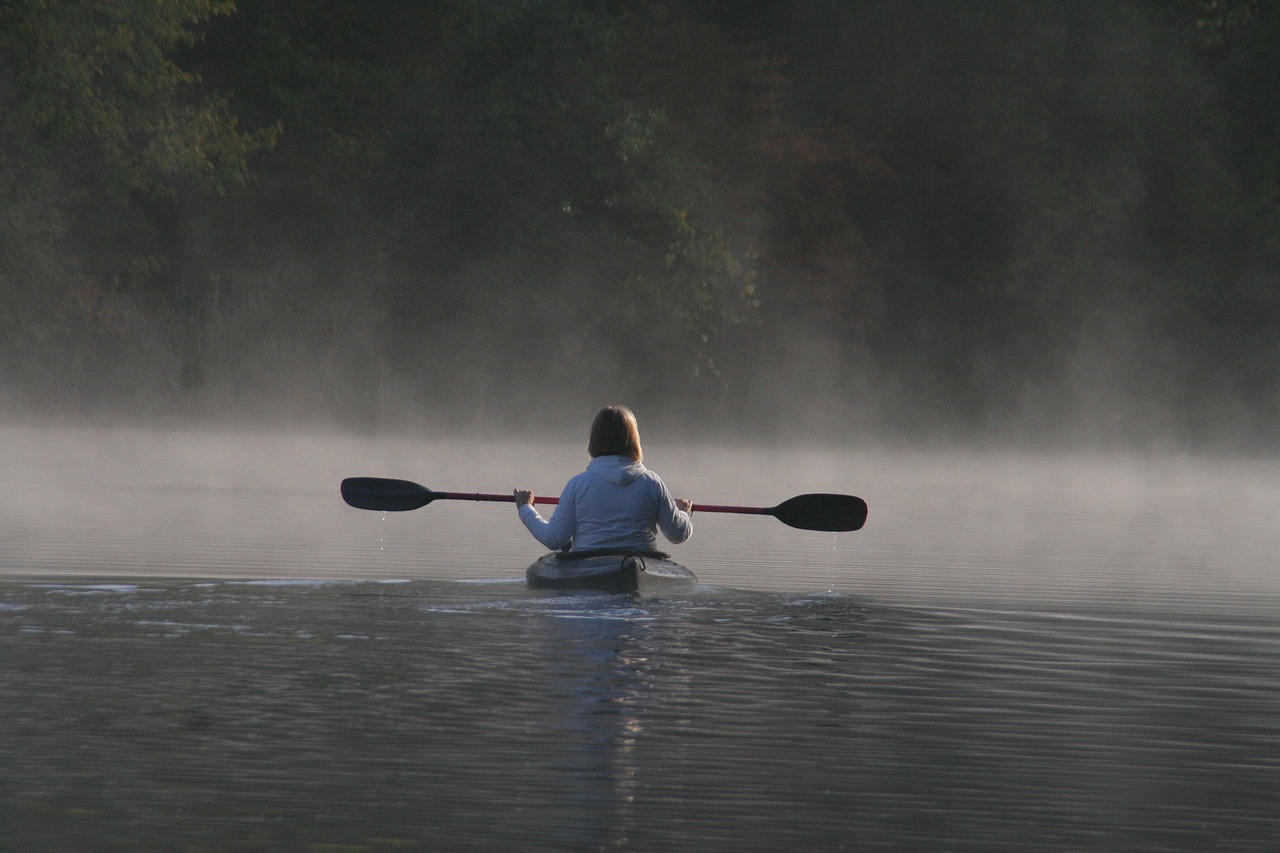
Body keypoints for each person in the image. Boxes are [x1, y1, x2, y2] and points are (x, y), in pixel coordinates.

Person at [514, 405, 693, 553]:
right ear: (634, 441)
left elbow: (553, 539)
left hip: (587, 566)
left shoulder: (579, 484)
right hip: (640, 562)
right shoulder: (652, 483)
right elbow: (678, 534)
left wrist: (525, 507)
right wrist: (682, 512)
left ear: (594, 440)